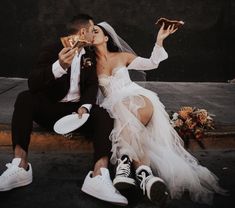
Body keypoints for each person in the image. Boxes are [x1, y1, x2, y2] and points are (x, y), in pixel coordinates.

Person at [92, 21, 226, 205]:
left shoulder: (122, 56)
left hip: (138, 100)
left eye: (95, 31)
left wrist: (160, 40)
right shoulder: (88, 64)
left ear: (106, 37)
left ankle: (124, 160)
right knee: (134, 131)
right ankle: (145, 175)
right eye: (89, 31)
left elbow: (152, 63)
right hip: (114, 109)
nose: (91, 33)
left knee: (128, 107)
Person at [0, 14, 128, 205]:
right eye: (92, 30)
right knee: (25, 97)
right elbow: (33, 82)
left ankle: (99, 174)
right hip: (51, 110)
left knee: (103, 112)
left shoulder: (91, 55)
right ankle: (20, 165)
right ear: (83, 32)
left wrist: (85, 107)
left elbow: (92, 85)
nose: (94, 34)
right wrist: (58, 66)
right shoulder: (52, 48)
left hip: (77, 114)